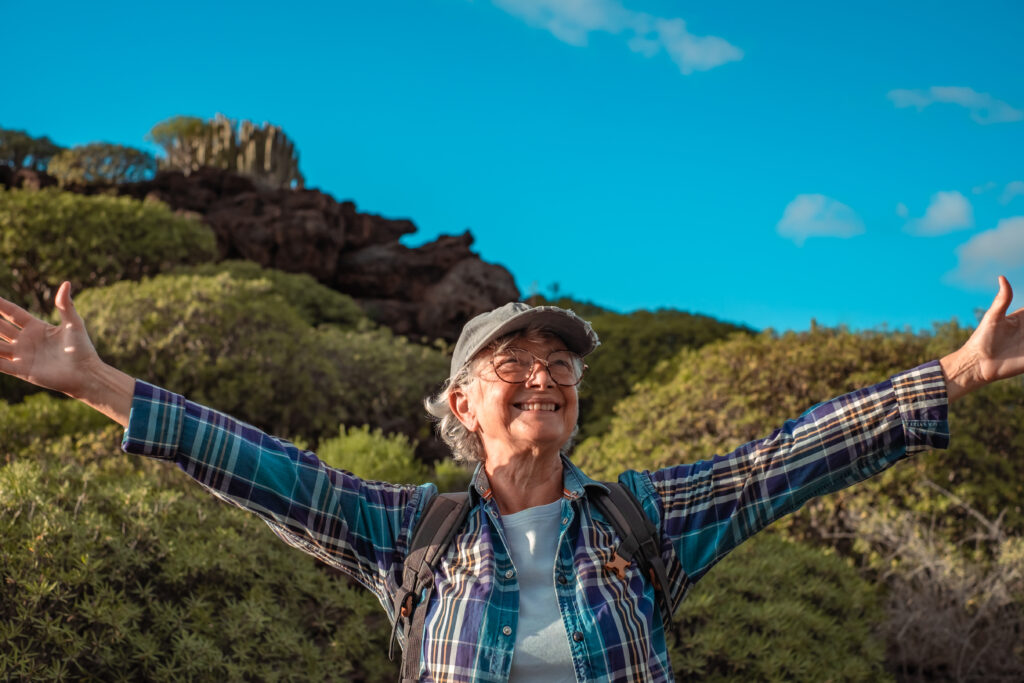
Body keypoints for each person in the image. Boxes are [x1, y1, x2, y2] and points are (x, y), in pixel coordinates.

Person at [1, 277, 1023, 683]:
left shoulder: (640, 520)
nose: (544, 375)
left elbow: (784, 461)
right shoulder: (406, 530)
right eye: (514, 363)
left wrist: (960, 369)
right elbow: (260, 467)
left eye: (561, 365)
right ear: (458, 405)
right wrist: (95, 380)